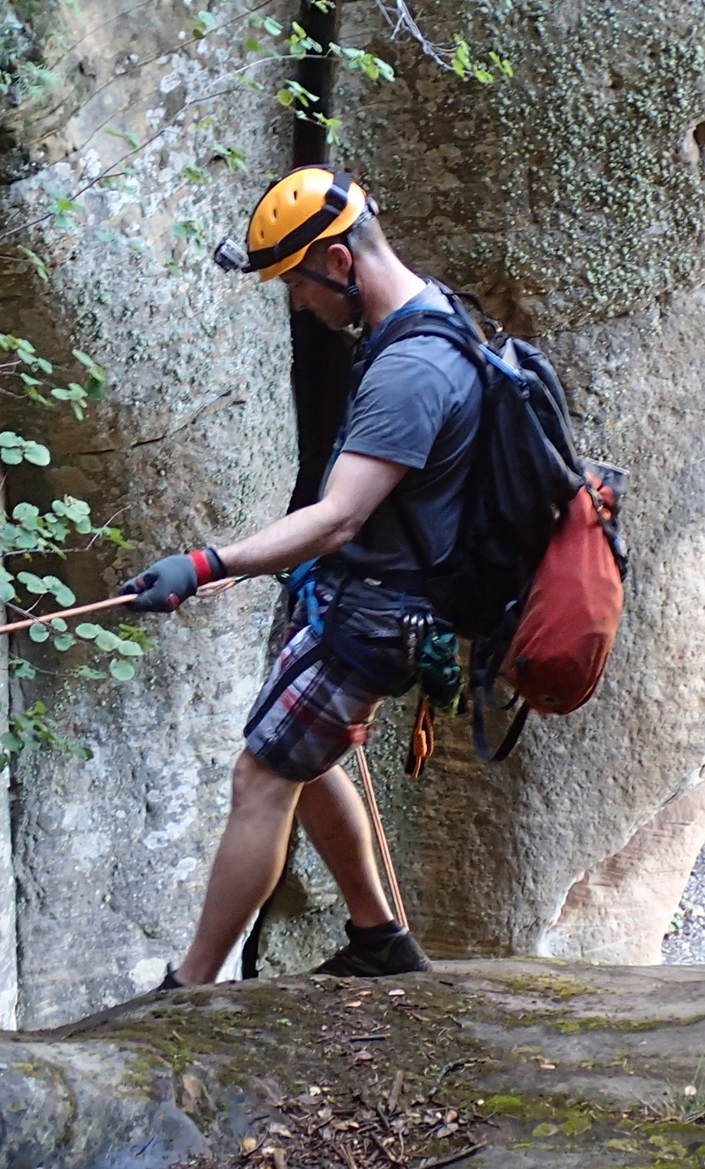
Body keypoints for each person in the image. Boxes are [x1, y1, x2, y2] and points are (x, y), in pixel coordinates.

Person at [120, 166, 480, 986]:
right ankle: (382, 938)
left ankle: (189, 991)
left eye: (296, 281)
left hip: (376, 614)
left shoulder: (412, 369)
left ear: (340, 263)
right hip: (365, 597)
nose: (296, 303)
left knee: (262, 775)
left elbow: (338, 517)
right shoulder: (433, 318)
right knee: (305, 763)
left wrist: (206, 565)